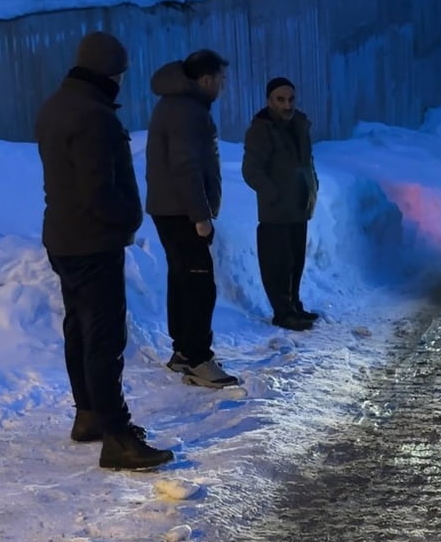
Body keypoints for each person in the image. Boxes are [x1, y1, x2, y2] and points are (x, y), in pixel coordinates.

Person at [35, 31, 174, 470]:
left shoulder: (54, 107)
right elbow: (100, 190)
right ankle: (117, 436)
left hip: (63, 237)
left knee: (78, 329)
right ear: (109, 73)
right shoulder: (95, 118)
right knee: (104, 338)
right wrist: (128, 218)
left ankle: (88, 414)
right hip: (94, 242)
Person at [145, 49, 240, 389]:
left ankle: (184, 351)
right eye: (221, 80)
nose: (223, 86)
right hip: (181, 211)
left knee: (183, 279)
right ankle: (198, 357)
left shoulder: (177, 105)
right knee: (199, 284)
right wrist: (200, 216)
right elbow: (185, 166)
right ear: (206, 79)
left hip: (170, 208)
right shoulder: (187, 112)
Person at [241, 77, 320, 332]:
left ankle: (294, 305)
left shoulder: (299, 125)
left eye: (291, 99)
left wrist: (312, 187)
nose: (287, 105)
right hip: (275, 212)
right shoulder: (261, 130)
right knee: (277, 263)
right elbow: (251, 170)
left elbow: (307, 161)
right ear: (269, 101)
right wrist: (273, 193)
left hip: (299, 207)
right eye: (281, 100)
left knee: (296, 261)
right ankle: (282, 312)